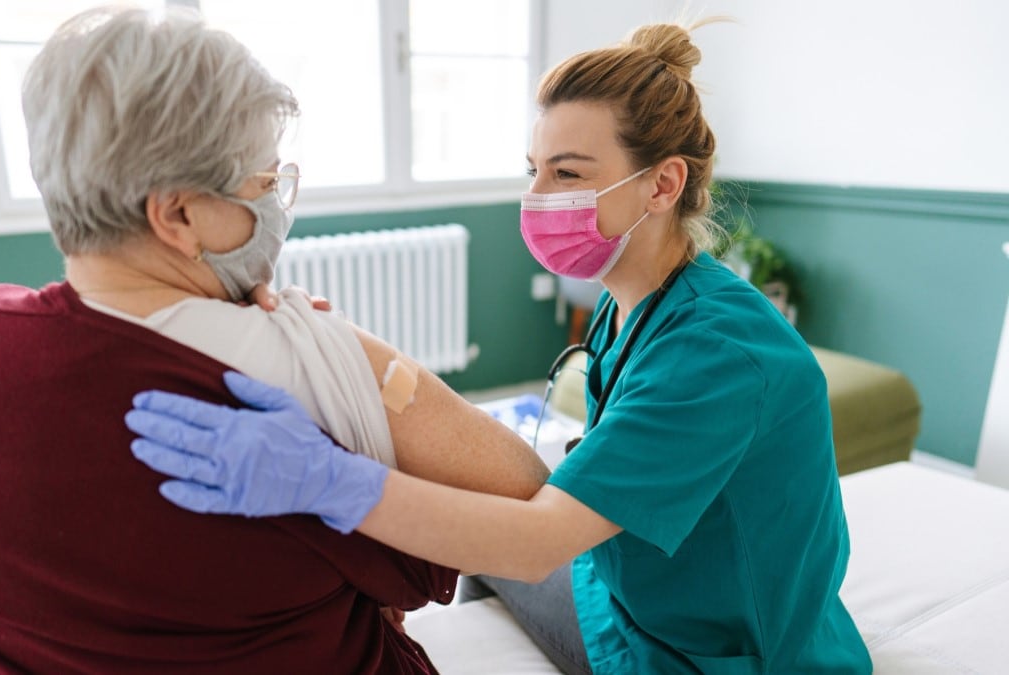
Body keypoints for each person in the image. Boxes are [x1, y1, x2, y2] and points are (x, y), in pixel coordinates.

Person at [124, 19, 875, 675]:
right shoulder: (635, 306)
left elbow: (535, 542)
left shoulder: (719, 352)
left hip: (705, 655)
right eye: (534, 170)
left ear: (662, 184)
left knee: (491, 539)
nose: (540, 196)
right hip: (633, 596)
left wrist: (329, 481)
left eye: (568, 173)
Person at [0, 5, 548, 673]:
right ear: (180, 215)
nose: (276, 203)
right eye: (266, 182)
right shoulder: (300, 358)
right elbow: (521, 487)